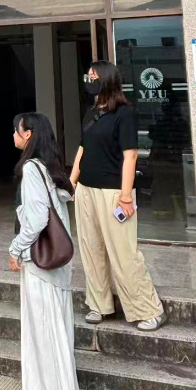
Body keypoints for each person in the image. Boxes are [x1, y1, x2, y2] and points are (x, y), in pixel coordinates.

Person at [71, 61, 166, 332]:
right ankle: (99, 304)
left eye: (93, 76)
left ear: (107, 80)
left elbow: (130, 156)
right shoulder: (91, 112)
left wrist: (126, 196)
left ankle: (149, 309)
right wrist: (72, 182)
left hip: (114, 192)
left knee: (124, 252)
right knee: (91, 249)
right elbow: (82, 149)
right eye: (88, 76)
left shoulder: (125, 113)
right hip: (87, 190)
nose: (88, 80)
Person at [9, 113, 80, 390]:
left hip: (40, 267)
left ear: (28, 135)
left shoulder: (31, 170)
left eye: (17, 130)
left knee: (44, 339)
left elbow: (37, 219)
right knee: (56, 336)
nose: (14, 135)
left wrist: (16, 248)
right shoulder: (51, 170)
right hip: (58, 269)